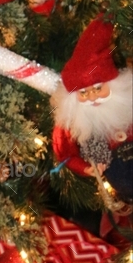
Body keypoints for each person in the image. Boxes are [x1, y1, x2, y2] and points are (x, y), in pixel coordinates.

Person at [51, 18, 132, 200]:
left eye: (97, 89)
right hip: (116, 174)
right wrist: (86, 168)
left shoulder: (127, 101)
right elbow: (65, 153)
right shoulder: (70, 120)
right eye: (84, 93)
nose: (93, 97)